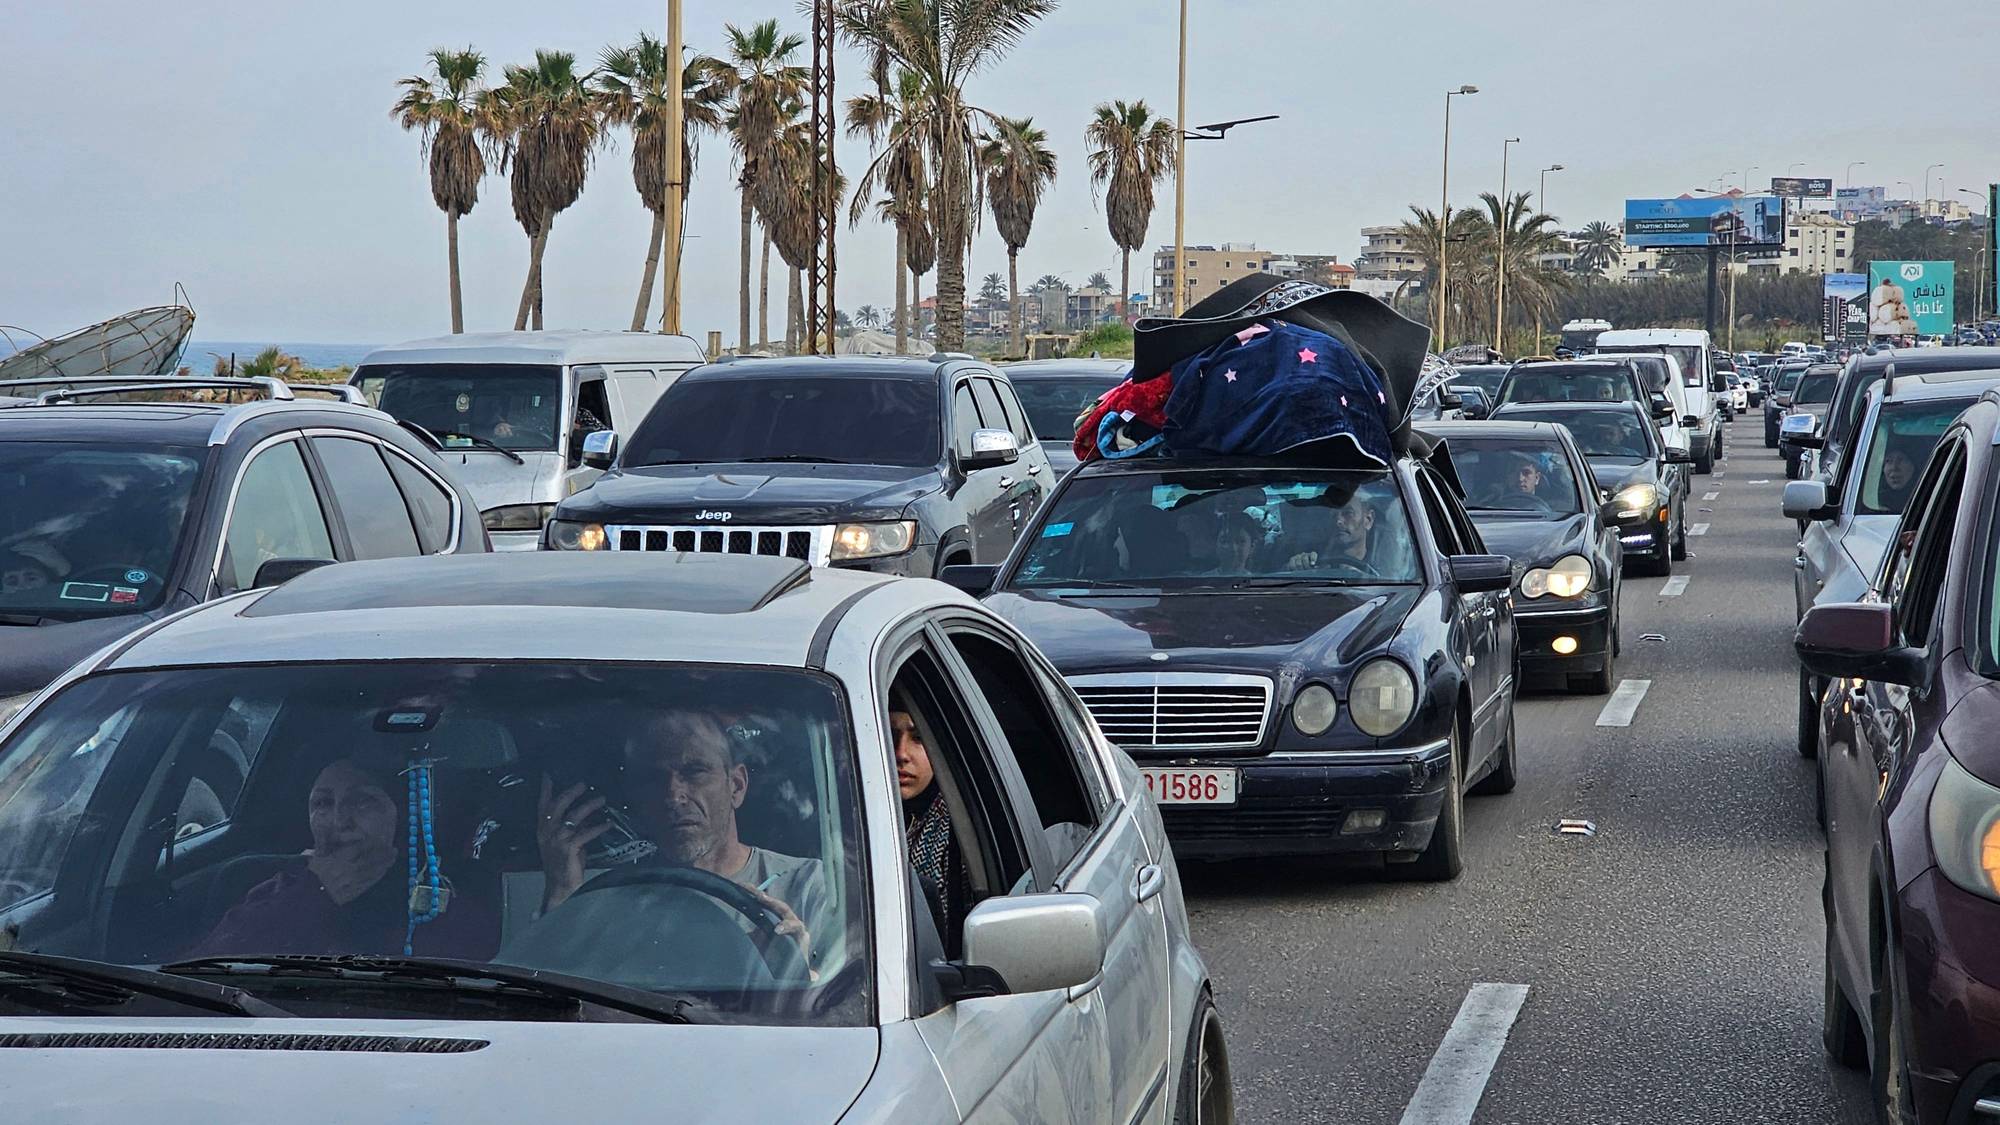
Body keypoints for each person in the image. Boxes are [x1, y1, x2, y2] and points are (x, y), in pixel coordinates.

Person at [536, 710, 829, 972]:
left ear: (736, 786)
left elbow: (843, 1011)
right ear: (636, 798)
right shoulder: (612, 901)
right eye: (653, 779)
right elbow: (561, 1007)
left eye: (694, 772)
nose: (673, 795)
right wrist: (562, 891)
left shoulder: (806, 885)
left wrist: (801, 978)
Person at [189, 757, 499, 958]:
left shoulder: (437, 904)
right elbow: (199, 977)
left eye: (362, 801)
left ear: (401, 816)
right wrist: (313, 894)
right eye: (323, 803)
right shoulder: (264, 887)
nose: (340, 820)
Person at [892, 709, 964, 944]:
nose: (901, 753)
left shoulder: (961, 834)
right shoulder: (834, 815)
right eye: (890, 735)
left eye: (919, 738)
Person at [1286, 499, 1375, 571]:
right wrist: (1296, 566)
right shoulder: (1312, 561)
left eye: (1348, 513)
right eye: (1333, 515)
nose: (1338, 521)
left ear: (1368, 519)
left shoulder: (1385, 569)